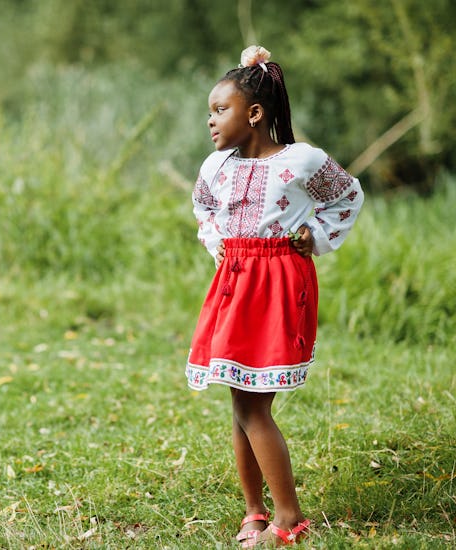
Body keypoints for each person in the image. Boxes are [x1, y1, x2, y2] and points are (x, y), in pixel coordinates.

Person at [185, 45, 364, 547]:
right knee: (239, 399)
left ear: (255, 113)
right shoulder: (216, 166)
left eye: (220, 110)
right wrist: (218, 242)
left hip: (279, 283)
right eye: (210, 112)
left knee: (253, 407)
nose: (211, 121)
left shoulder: (302, 160)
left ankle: (288, 519)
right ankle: (254, 511)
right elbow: (203, 208)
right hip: (235, 283)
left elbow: (349, 195)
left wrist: (315, 236)